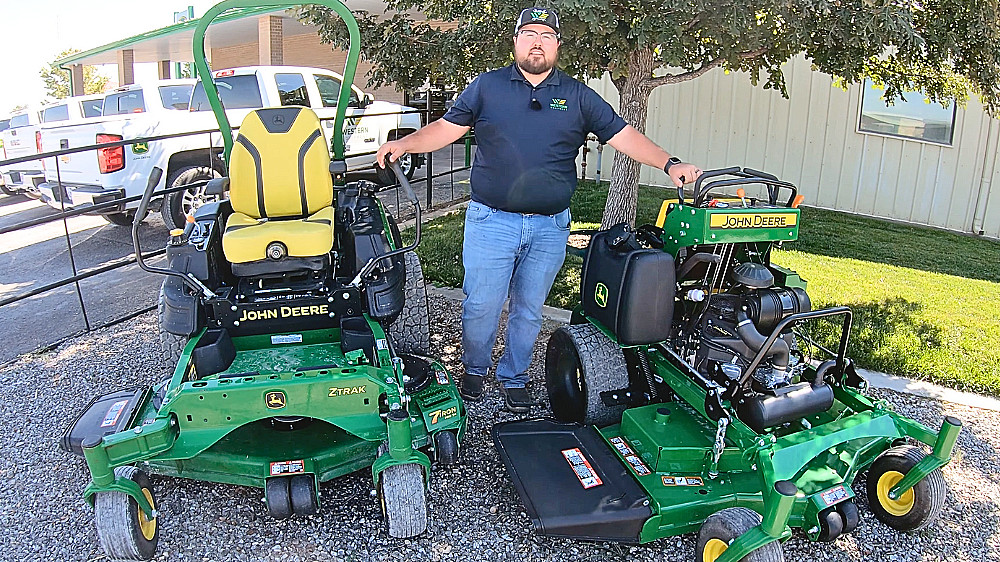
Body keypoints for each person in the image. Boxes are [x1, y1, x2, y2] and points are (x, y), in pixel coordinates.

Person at [376, 7, 703, 413]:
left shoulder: (578, 95)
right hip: (491, 222)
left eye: (546, 35)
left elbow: (623, 136)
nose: (536, 41)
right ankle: (474, 370)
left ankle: (514, 376)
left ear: (557, 46)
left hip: (550, 228)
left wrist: (669, 164)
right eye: (528, 33)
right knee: (481, 304)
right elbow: (446, 128)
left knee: (529, 309)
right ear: (515, 42)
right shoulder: (486, 87)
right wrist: (406, 143)